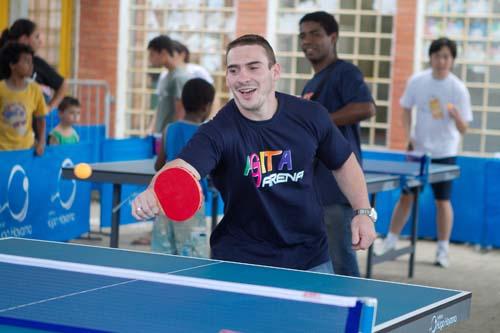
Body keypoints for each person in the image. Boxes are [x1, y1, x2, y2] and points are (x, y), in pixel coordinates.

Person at [132, 34, 377, 272]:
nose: (242, 78)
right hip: (241, 262)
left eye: (253, 67)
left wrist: (363, 212)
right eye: (234, 70)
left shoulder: (311, 115)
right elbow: (183, 167)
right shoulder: (218, 130)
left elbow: (343, 162)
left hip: (310, 259)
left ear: (275, 72)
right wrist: (155, 190)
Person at [375, 37, 472, 268]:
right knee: (406, 197)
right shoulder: (418, 81)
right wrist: (409, 136)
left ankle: (442, 250)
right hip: (418, 152)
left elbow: (464, 128)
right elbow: (406, 109)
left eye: (446, 56)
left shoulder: (458, 88)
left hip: (445, 151)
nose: (441, 61)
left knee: (443, 201)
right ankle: (391, 240)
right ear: (430, 57)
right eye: (437, 55)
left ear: (453, 60)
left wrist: (456, 116)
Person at [299, 11, 376, 276]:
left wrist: (322, 121)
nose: (308, 40)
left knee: (341, 261)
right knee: (320, 262)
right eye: (303, 35)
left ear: (333, 37)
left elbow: (366, 107)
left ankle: (357, 315)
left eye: (315, 33)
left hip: (336, 186)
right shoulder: (311, 83)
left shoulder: (345, 72)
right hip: (313, 188)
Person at [151, 78, 215, 256]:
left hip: (164, 200)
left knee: (163, 254)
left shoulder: (168, 129)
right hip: (191, 203)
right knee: (193, 259)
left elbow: (159, 165)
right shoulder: (207, 133)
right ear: (206, 106)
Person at [0, 18, 67, 113]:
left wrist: (49, 108)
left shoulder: (34, 88)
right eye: (36, 37)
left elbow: (62, 84)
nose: (40, 42)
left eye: (30, 63)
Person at [0, 43, 47, 154]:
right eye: (26, 61)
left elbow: (41, 119)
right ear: (12, 65)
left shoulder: (35, 89)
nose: (31, 66)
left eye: (32, 62)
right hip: (2, 151)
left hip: (26, 150)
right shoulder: (1, 88)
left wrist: (41, 142)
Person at [146, 35, 193, 135]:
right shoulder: (165, 77)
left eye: (152, 54)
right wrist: (151, 129)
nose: (150, 59)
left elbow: (181, 113)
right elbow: (160, 107)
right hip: (160, 135)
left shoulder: (180, 77)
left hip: (170, 139)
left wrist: (173, 137)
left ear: (163, 53)